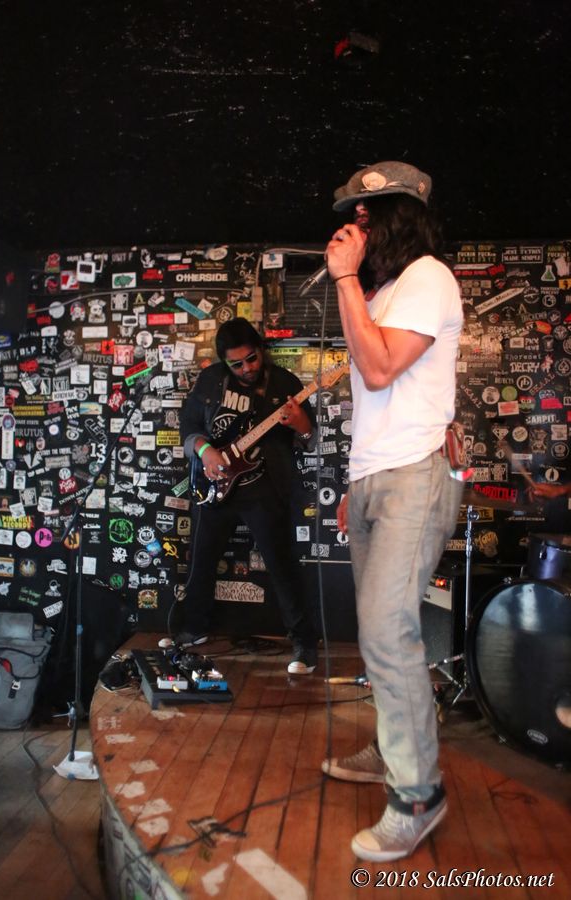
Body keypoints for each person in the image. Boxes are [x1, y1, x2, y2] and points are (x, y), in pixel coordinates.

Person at [321, 161, 464, 860]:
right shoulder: (379, 294)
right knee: (376, 629)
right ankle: (391, 748)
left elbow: (379, 370)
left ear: (399, 216)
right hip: (377, 476)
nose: (354, 225)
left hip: (415, 475)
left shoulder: (429, 277)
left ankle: (419, 795)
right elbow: (375, 403)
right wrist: (357, 483)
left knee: (387, 629)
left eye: (365, 214)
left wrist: (346, 279)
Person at [177, 317, 319, 674]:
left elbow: (310, 439)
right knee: (201, 561)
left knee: (282, 567)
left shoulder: (284, 383)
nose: (247, 369)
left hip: (264, 490)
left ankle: (304, 643)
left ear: (261, 350)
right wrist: (206, 451)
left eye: (252, 359)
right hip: (215, 484)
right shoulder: (210, 380)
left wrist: (300, 423)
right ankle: (193, 629)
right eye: (236, 364)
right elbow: (189, 427)